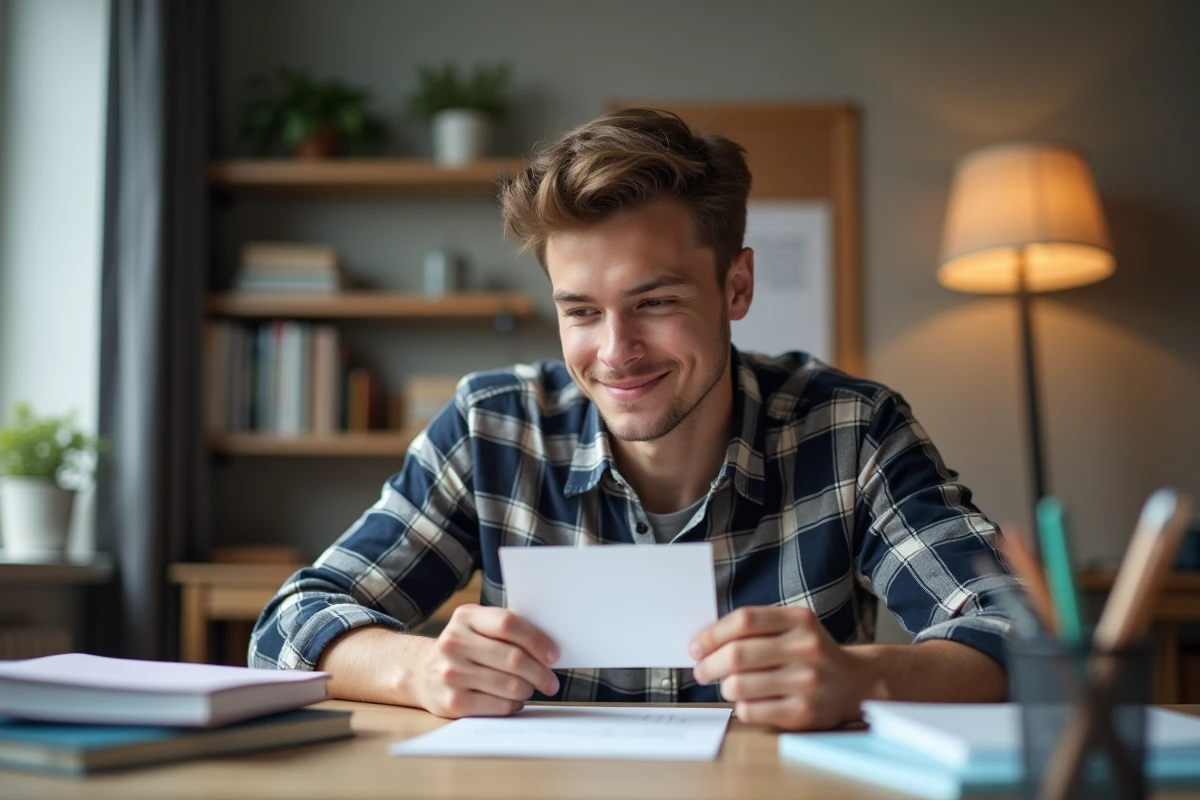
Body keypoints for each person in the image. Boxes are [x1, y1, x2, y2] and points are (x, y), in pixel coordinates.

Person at [250, 108, 1016, 731]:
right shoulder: (491, 427)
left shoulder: (854, 430)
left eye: (656, 303)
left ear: (737, 286)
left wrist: (860, 677)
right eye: (581, 310)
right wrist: (417, 667)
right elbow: (288, 626)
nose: (616, 353)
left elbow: (1017, 633)